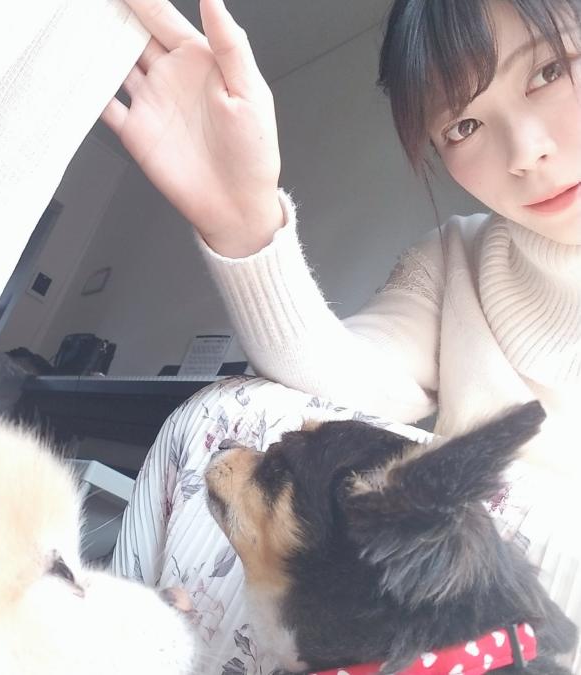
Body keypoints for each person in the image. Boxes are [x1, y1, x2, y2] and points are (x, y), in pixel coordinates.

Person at [101, 0, 581, 671]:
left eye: (550, 70)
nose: (526, 151)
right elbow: (342, 387)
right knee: (232, 410)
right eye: (463, 124)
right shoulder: (457, 261)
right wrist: (245, 222)